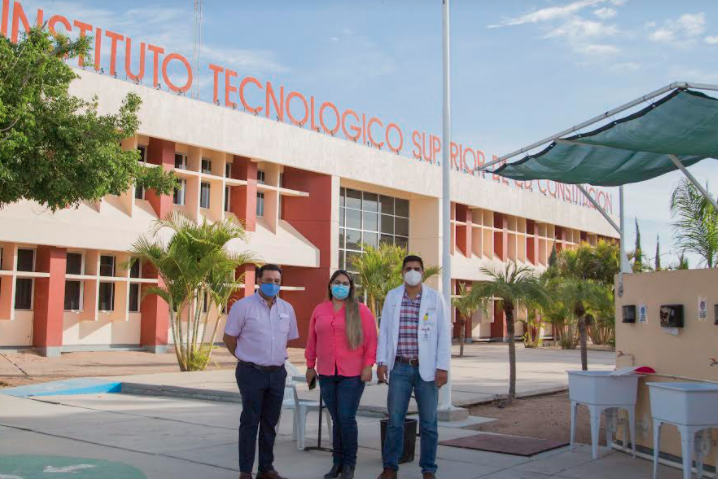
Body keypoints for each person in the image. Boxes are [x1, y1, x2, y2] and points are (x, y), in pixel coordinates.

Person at [376, 255, 451, 479]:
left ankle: (428, 470)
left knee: (429, 423)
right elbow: (385, 331)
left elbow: (444, 335)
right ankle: (390, 468)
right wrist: (381, 362)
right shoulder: (392, 297)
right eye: (408, 268)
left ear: (423, 272)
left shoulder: (435, 298)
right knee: (395, 421)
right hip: (399, 368)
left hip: (426, 370)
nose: (412, 272)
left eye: (417, 268)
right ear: (402, 272)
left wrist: (443, 367)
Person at [223, 264, 299, 479]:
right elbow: (229, 338)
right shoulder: (243, 307)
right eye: (268, 280)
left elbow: (287, 339)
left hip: (277, 374)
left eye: (277, 281)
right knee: (250, 422)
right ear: (258, 281)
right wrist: (244, 357)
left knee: (270, 423)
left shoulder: (287, 309)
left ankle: (266, 469)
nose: (272, 284)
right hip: (251, 372)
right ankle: (245, 472)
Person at [305, 270, 378, 479]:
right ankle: (336, 463)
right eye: (337, 282)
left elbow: (371, 340)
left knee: (346, 418)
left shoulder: (361, 310)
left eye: (345, 283)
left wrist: (368, 365)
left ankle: (349, 465)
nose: (341, 286)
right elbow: (312, 340)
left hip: (352, 374)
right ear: (330, 285)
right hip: (327, 373)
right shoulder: (320, 310)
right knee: (336, 419)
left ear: (351, 287)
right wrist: (310, 366)